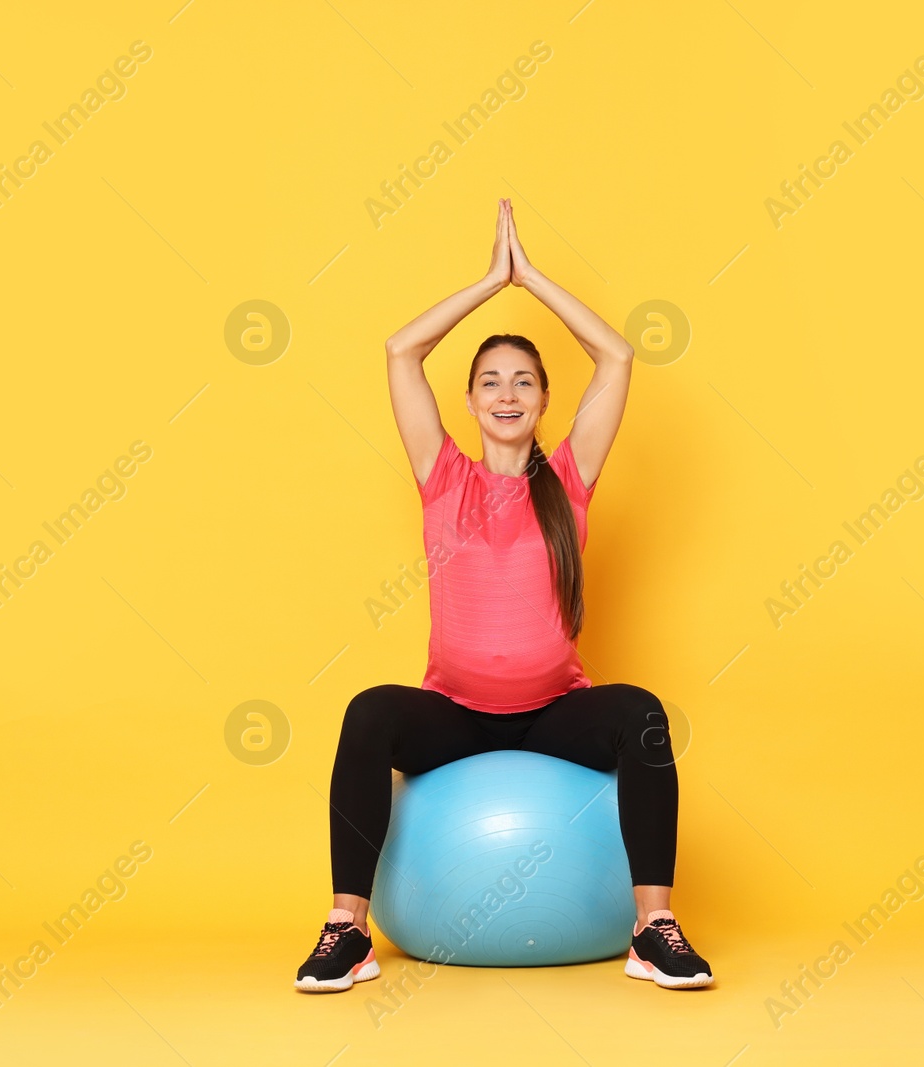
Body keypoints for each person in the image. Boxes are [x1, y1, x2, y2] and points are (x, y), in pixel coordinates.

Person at [295, 199, 712, 993]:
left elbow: (618, 357)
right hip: (452, 716)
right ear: (472, 402)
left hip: (555, 714)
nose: (507, 392)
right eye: (491, 381)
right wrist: (491, 282)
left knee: (643, 713)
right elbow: (399, 350)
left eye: (524, 380)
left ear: (546, 400)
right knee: (368, 712)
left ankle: (653, 928)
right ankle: (347, 930)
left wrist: (536, 281)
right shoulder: (442, 475)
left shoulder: (570, 481)